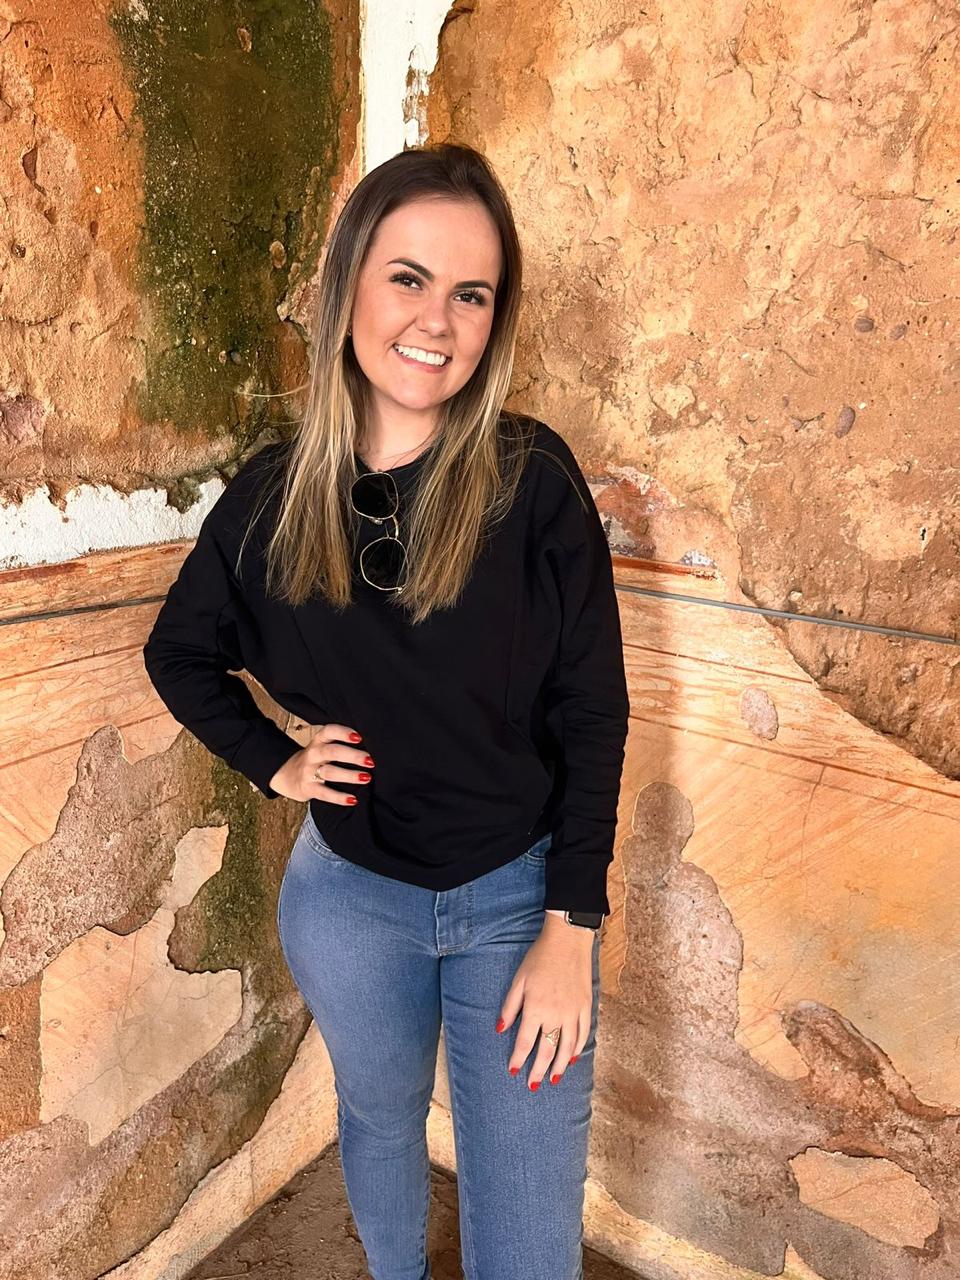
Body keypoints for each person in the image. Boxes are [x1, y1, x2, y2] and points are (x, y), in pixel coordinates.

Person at [143, 142, 629, 1280]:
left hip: (519, 900)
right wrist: (276, 761)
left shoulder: (532, 480)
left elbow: (592, 708)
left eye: (472, 293)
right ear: (349, 284)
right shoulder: (270, 501)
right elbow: (179, 652)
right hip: (350, 901)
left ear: (496, 318)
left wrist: (572, 925)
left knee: (528, 1241)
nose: (437, 320)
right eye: (408, 277)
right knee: (376, 1119)